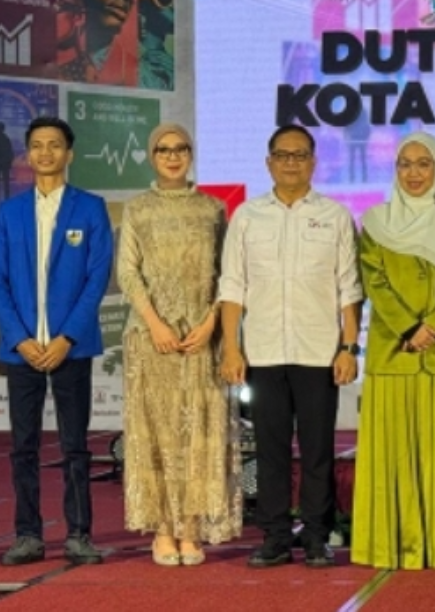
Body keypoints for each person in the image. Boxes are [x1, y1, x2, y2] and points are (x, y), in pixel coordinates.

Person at [219, 124, 362, 569]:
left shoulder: (335, 216)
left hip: (319, 352)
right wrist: (231, 348)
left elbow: (349, 288)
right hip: (262, 351)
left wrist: (349, 347)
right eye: (282, 155)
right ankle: (276, 537)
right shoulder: (247, 216)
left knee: (318, 451)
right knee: (271, 450)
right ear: (269, 163)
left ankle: (317, 536)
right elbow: (233, 286)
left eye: (300, 155)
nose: (291, 163)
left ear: (313, 162)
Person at [0, 117, 114, 567]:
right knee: (23, 446)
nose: (45, 152)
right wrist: (19, 338)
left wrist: (67, 336)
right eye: (37, 145)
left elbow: (97, 277)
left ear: (69, 153)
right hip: (21, 348)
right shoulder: (9, 212)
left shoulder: (90, 208)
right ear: (26, 154)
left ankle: (79, 534)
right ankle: (28, 535)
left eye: (54, 145)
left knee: (75, 444)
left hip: (71, 347)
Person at [352, 131, 435, 570]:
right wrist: (409, 327)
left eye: (424, 163)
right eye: (405, 164)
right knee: (395, 459)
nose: (414, 172)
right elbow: (374, 280)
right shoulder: (375, 222)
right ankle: (393, 547)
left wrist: (433, 325)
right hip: (394, 352)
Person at [117, 123, 243, 567]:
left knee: (199, 434)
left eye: (181, 148)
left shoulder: (213, 209)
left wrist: (211, 323)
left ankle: (191, 529)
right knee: (158, 432)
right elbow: (127, 272)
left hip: (200, 339)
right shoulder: (138, 209)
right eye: (164, 150)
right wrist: (155, 324)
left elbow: (229, 274)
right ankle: (163, 530)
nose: (173, 156)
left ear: (191, 154)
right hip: (152, 340)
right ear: (152, 156)